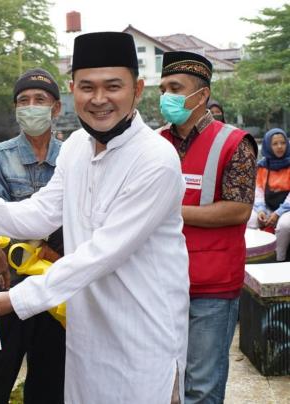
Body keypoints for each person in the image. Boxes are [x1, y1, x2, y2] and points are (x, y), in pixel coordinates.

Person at [0, 32, 190, 404]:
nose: (99, 99)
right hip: (88, 332)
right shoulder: (77, 146)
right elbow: (43, 212)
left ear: (138, 89)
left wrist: (20, 298)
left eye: (113, 86)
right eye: (87, 87)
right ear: (72, 89)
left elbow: (103, 252)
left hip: (143, 334)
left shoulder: (155, 159)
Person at [158, 51, 257, 404]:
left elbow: (238, 209)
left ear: (202, 95)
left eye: (175, 87)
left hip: (211, 286)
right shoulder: (154, 143)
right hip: (160, 282)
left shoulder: (234, 143)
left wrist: (168, 211)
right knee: (160, 384)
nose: (165, 96)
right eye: (163, 87)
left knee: (201, 387)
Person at [0, 68, 65, 404]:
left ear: (56, 108)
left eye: (39, 100)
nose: (30, 107)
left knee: (50, 382)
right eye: (23, 101)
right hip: (6, 286)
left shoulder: (73, 157)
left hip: (58, 292)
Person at [248, 128, 290, 260]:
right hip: (266, 206)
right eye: (275, 144)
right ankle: (257, 256)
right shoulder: (262, 166)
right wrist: (260, 210)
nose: (279, 147)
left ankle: (279, 258)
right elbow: (258, 190)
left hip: (287, 208)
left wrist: (278, 213)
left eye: (283, 143)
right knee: (250, 219)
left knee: (284, 225)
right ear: (268, 146)